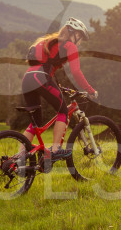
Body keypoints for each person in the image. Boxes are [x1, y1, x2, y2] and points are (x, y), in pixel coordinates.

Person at [19, 17, 97, 161]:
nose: (79, 43)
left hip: (28, 78)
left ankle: (19, 157)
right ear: (76, 34)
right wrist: (90, 90)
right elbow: (76, 72)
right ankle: (55, 150)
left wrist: (57, 86)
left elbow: (47, 66)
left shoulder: (50, 42)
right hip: (41, 77)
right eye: (80, 38)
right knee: (63, 111)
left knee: (36, 120)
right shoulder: (69, 46)